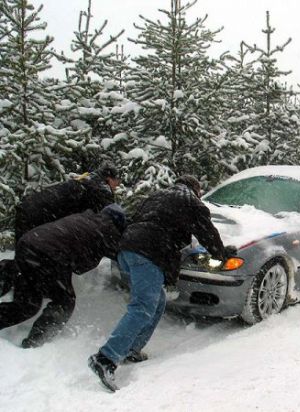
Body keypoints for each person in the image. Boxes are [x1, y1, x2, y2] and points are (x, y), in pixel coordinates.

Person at [88, 175, 236, 392]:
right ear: (196, 189)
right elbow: (207, 233)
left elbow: (142, 222)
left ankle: (131, 349)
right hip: (147, 254)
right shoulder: (191, 201)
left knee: (157, 302)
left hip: (127, 250)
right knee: (142, 308)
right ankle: (106, 358)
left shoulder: (158, 196)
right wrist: (221, 253)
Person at [0, 204, 126, 348]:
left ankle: (8, 272)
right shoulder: (108, 230)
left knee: (27, 304)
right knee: (65, 301)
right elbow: (118, 257)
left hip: (28, 245)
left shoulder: (85, 217)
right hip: (48, 256)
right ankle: (36, 344)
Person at [0, 162, 120, 297]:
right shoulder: (100, 188)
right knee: (27, 259)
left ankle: (20, 293)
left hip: (28, 211)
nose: (117, 187)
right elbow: (108, 220)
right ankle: (24, 296)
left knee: (24, 258)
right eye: (117, 182)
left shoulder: (87, 181)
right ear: (110, 179)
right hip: (38, 218)